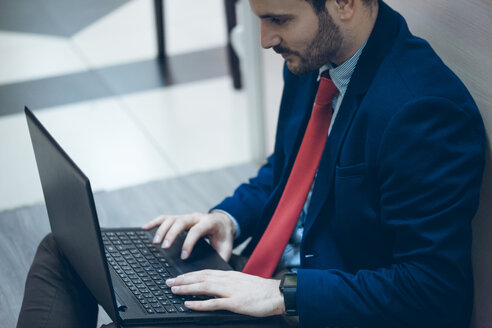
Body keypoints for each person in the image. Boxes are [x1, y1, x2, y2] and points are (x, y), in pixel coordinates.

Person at [17, 0, 485, 327]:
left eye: (278, 19)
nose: (264, 40)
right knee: (65, 250)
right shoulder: (313, 57)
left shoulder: (423, 111)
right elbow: (285, 174)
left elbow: (433, 293)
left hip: (319, 308)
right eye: (259, 17)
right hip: (258, 277)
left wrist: (284, 295)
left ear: (344, 3)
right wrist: (226, 218)